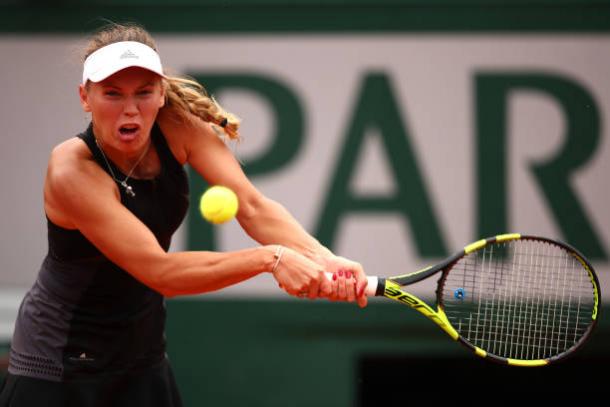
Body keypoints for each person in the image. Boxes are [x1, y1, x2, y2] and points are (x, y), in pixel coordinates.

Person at [0, 22, 368, 406]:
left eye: (144, 92)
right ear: (85, 97)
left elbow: (253, 206)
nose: (130, 108)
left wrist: (324, 258)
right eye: (112, 93)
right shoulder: (71, 171)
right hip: (59, 368)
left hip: (141, 359)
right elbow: (161, 274)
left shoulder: (178, 128)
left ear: (161, 93)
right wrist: (271, 258)